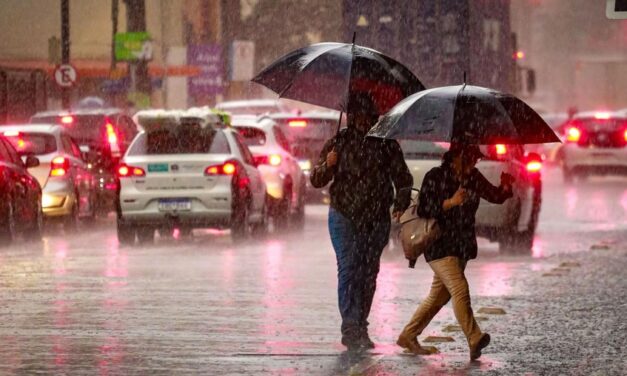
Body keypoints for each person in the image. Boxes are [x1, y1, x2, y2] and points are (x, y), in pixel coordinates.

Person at [311, 94, 413, 351]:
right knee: (349, 268)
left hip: (376, 218)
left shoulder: (387, 144)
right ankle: (350, 326)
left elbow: (403, 179)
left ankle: (361, 324)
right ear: (351, 116)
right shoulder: (339, 142)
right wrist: (327, 164)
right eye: (357, 115)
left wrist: (400, 203)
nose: (362, 121)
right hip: (343, 215)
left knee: (368, 273)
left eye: (367, 116)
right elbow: (316, 179)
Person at [396, 143, 514, 360]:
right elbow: (424, 209)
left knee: (438, 296)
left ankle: (409, 335)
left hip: (461, 245)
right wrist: (451, 202)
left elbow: (494, 196)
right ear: (457, 157)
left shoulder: (473, 177)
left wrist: (505, 187)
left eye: (476, 160)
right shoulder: (436, 176)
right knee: (460, 288)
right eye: (470, 159)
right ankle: (474, 337)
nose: (474, 164)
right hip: (439, 245)